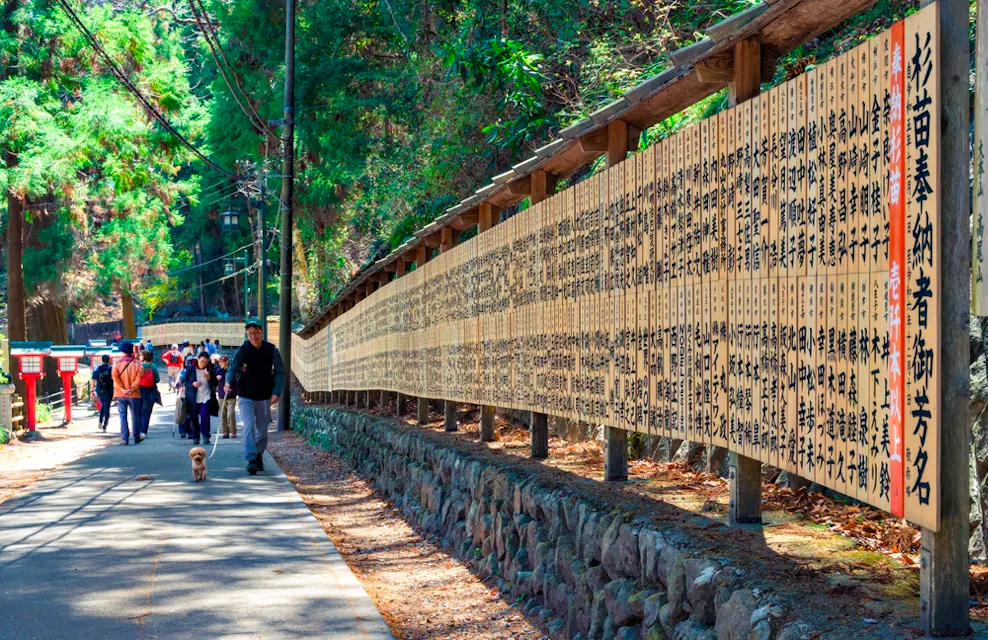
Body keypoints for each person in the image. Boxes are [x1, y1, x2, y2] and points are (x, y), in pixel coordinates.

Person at [226, 318, 284, 475]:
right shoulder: (243, 350)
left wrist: (276, 392)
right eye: (250, 333)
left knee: (262, 429)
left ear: (261, 332)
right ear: (247, 333)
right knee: (249, 426)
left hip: (264, 394)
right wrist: (228, 382)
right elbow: (233, 368)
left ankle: (259, 455)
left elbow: (280, 372)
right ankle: (251, 459)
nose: (253, 336)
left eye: (256, 333)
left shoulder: (271, 350)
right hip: (245, 394)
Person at [111, 342, 143, 445]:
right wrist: (131, 389)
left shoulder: (117, 363)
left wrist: (122, 389)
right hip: (134, 394)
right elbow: (139, 379)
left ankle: (125, 438)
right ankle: (136, 437)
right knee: (135, 416)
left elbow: (115, 377)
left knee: (123, 416)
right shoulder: (138, 364)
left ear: (123, 352)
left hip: (120, 394)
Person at [183, 351, 217, 445]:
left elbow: (215, 383)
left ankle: (206, 435)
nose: (203, 364)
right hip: (193, 397)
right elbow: (184, 382)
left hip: (206, 396)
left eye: (206, 362)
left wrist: (210, 378)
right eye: (202, 361)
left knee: (205, 415)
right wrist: (193, 384)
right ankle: (195, 436)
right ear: (197, 359)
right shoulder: (191, 368)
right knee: (193, 417)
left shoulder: (210, 368)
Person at [138, 350, 161, 437]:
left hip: (139, 391)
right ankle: (144, 432)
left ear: (144, 356)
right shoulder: (153, 366)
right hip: (151, 391)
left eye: (140, 355)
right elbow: (157, 380)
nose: (139, 357)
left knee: (139, 411)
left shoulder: (138, 366)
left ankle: (138, 430)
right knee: (146, 412)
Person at [216, 354, 237, 438]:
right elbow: (215, 380)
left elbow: (236, 382)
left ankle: (233, 431)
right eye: (220, 362)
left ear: (227, 362)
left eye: (222, 362)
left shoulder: (231, 371)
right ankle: (225, 431)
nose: (221, 363)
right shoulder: (218, 371)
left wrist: (232, 389)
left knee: (230, 413)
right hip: (221, 395)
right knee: (222, 414)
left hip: (231, 396)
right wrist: (216, 377)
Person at [92, 355, 113, 432]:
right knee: (106, 406)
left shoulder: (97, 368)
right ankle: (104, 425)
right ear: (109, 360)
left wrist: (92, 390)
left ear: (102, 360)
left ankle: (100, 421)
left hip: (99, 390)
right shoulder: (111, 368)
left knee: (103, 405)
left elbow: (93, 379)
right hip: (109, 390)